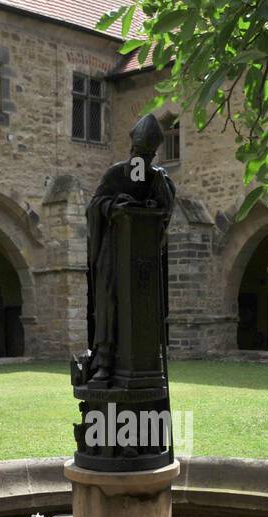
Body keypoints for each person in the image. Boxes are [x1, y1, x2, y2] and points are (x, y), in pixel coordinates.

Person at [85, 113, 176, 387]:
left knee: (145, 307)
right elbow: (94, 205)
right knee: (109, 303)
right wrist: (114, 207)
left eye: (146, 155)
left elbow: (166, 210)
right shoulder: (115, 173)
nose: (141, 159)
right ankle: (104, 363)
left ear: (153, 154)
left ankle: (147, 361)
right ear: (131, 149)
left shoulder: (159, 179)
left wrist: (154, 202)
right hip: (113, 252)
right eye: (138, 153)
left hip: (143, 258)